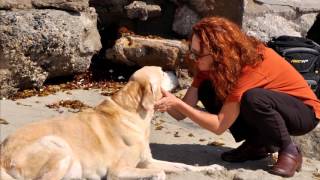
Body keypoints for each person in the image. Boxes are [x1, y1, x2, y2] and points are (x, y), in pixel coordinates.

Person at [154, 16, 320, 177]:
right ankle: (258, 144)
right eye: (192, 52)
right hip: (270, 107)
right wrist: (158, 97)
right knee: (207, 89)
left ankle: (289, 150)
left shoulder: (252, 63)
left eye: (198, 54)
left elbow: (219, 126)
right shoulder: (210, 65)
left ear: (218, 52)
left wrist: (178, 104)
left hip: (304, 112)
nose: (194, 60)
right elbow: (180, 113)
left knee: (254, 98)